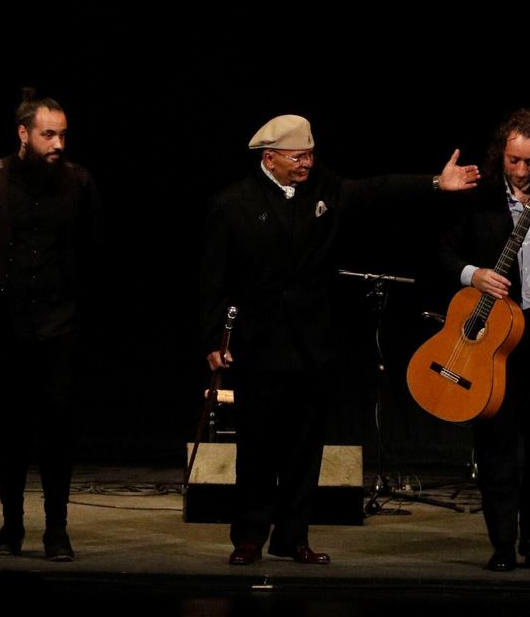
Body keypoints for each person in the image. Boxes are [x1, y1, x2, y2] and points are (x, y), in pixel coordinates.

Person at [198, 114, 478, 565]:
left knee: (305, 448)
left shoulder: (324, 191)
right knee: (256, 445)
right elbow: (213, 278)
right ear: (269, 157)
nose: (306, 163)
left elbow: (377, 190)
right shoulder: (232, 204)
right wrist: (214, 336)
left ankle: (293, 536)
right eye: (297, 156)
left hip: (313, 343)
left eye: (310, 154)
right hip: (259, 343)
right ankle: (249, 535)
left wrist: (434, 184)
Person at [0, 93, 106, 562]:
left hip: (59, 324)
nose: (58, 142)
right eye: (49, 133)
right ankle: (11, 524)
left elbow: (94, 252)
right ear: (23, 134)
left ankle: (57, 529)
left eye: (63, 133)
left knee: (58, 429)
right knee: (10, 430)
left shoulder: (78, 182)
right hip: (6, 326)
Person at [438, 108, 530, 572]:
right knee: (496, 440)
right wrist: (472, 275)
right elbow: (439, 252)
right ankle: (501, 543)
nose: (521, 172)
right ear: (502, 155)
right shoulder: (479, 198)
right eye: (514, 161)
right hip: (493, 334)